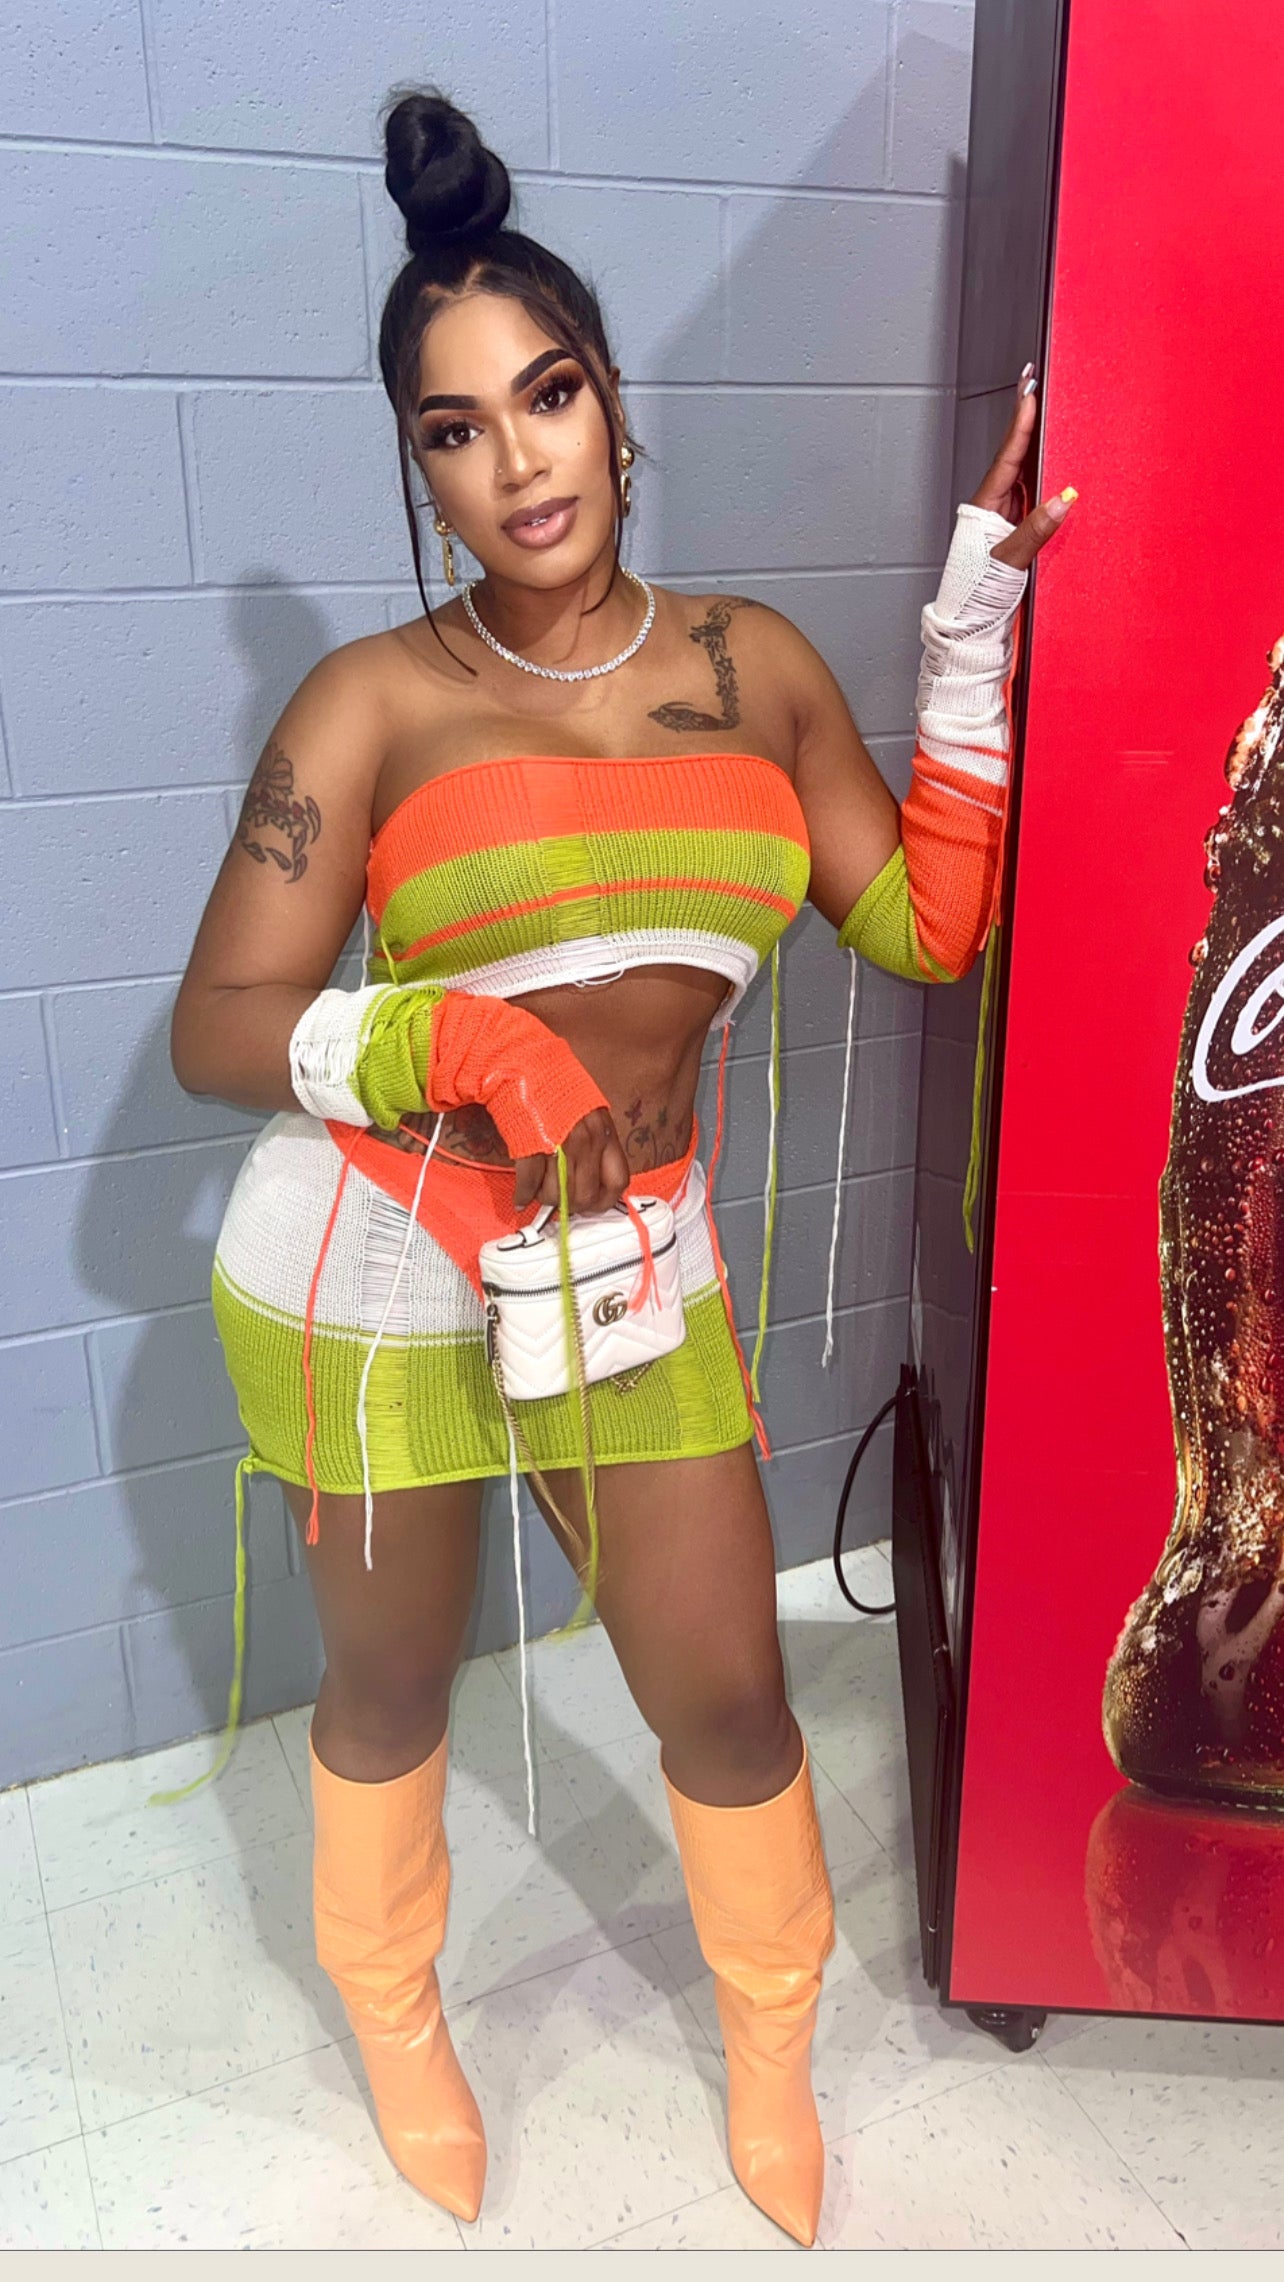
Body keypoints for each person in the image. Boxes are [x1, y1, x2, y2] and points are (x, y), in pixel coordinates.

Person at [171, 88, 1073, 2247]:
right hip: (378, 1257)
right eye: (457, 429)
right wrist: (448, 1034)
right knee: (395, 1681)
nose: (519, 459)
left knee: (728, 1690)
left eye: (549, 393)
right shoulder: (371, 703)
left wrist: (972, 629)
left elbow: (928, 926)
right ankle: (400, 2020)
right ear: (420, 469)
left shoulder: (754, 667)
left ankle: (771, 2048)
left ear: (612, 399)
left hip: (622, 1261)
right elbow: (219, 1028)